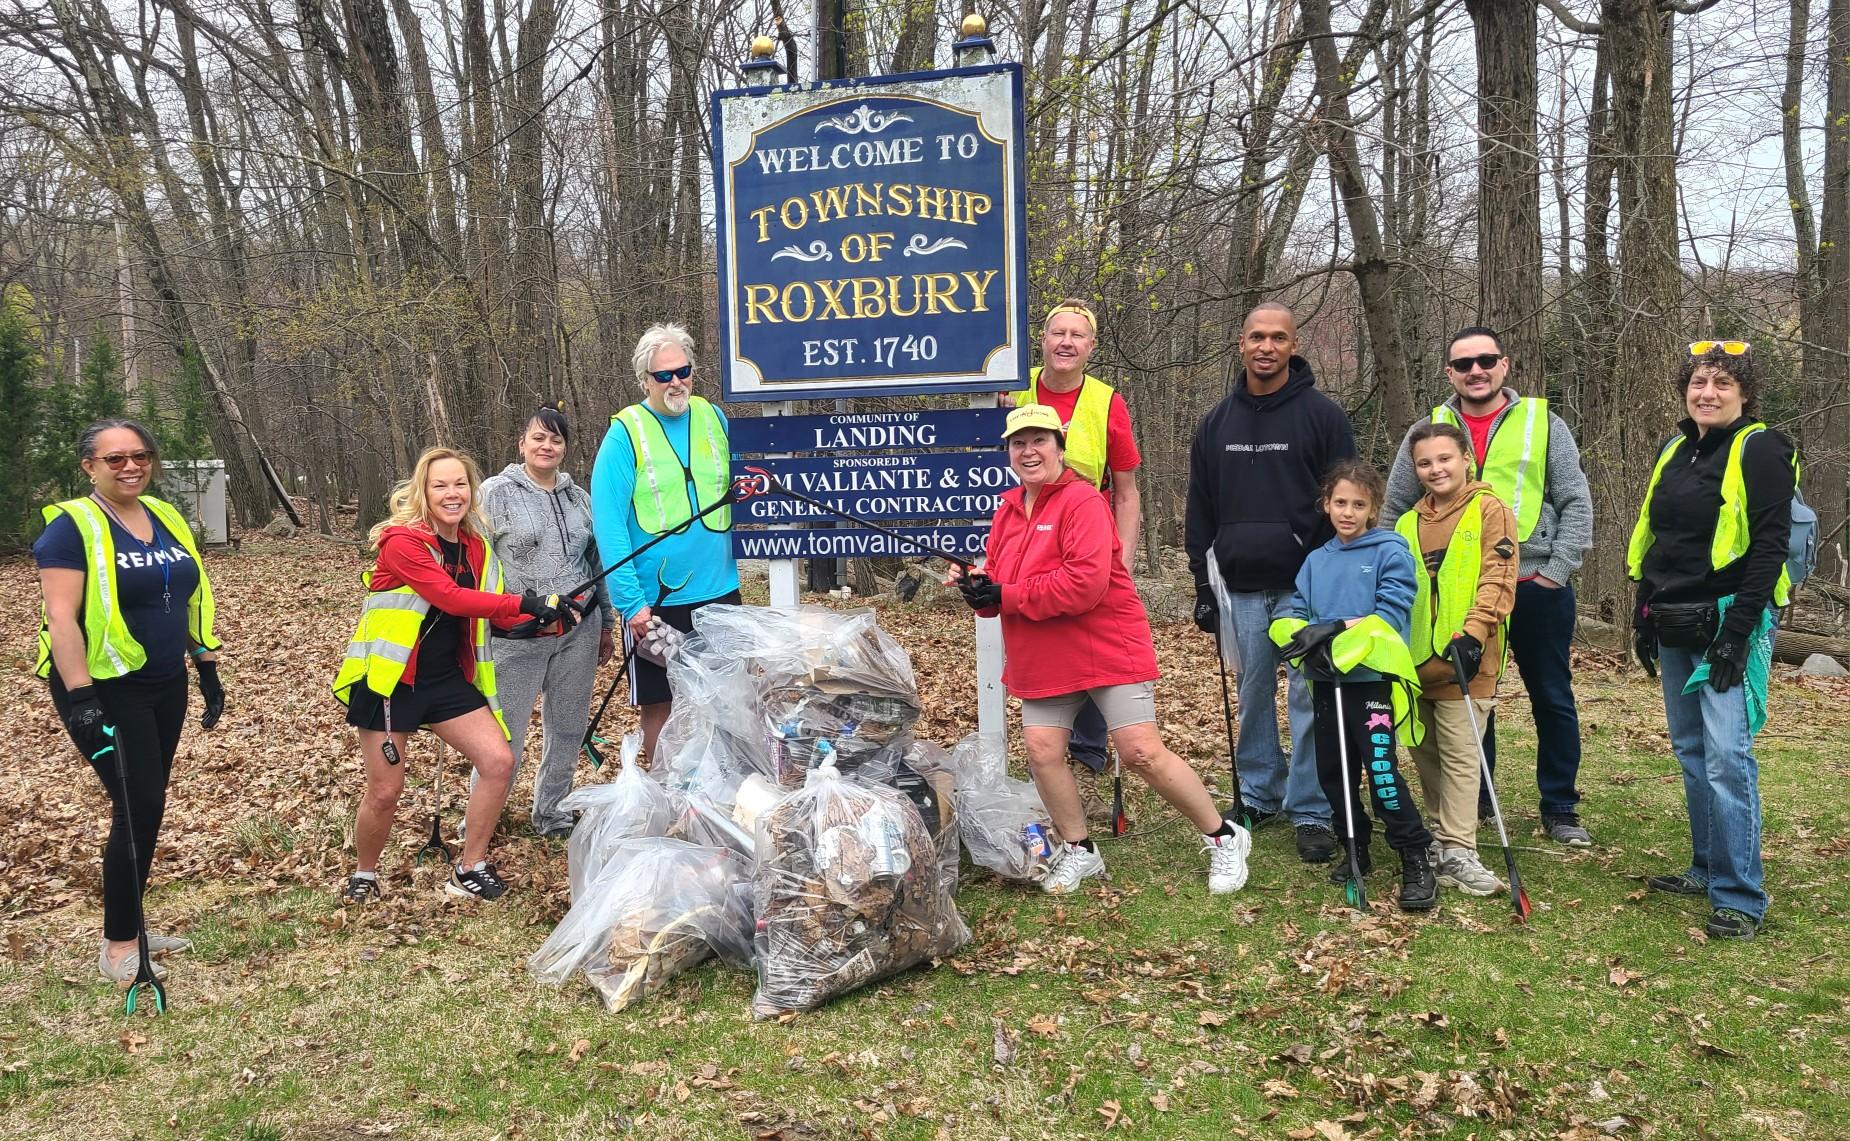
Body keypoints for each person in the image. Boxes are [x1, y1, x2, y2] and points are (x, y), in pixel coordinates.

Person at [958, 405, 1250, 895]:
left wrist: (1005, 594)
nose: (1029, 451)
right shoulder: (1006, 512)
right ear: (1008, 452)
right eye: (1019, 443)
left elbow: (1084, 584)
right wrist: (980, 591)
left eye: (1040, 441)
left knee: (1140, 752)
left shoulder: (1082, 501)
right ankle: (1080, 848)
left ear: (1059, 448)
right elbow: (1000, 589)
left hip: (1103, 643)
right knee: (1043, 751)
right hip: (1041, 651)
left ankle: (1223, 836)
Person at [333, 447, 576, 903]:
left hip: (446, 681)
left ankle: (470, 866)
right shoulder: (403, 542)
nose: (452, 493)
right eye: (440, 485)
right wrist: (527, 601)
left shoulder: (476, 547)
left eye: (460, 484)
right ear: (422, 492)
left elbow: (494, 613)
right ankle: (364, 874)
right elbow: (450, 598)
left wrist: (548, 616)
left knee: (499, 762)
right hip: (390, 682)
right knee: (386, 791)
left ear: (472, 491)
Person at [1384, 327, 1594, 847]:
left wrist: (1554, 571)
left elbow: (1576, 503)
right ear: (1448, 372)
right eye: (1463, 364)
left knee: (1551, 694)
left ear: (1505, 364)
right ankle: (1476, 800)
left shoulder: (1543, 423)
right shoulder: (1427, 428)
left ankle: (1560, 805)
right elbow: (1393, 509)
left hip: (1535, 584)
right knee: (1470, 696)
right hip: (1454, 593)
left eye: (1485, 360)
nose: (1475, 370)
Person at [34, 420, 226, 984]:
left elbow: (183, 598)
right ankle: (119, 945)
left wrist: (205, 668)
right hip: (105, 688)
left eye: (139, 456)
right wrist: (82, 699)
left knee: (149, 803)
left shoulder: (164, 516)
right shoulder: (71, 528)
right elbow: (61, 619)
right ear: (88, 467)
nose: (130, 466)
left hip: (165, 681)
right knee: (136, 805)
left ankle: (133, 924)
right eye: (114, 459)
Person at [1629, 340, 1795, 941]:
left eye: (1723, 383)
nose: (1708, 392)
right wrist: (1642, 609)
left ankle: (1740, 894)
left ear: (1744, 393)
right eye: (1700, 382)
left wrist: (1737, 634)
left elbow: (1770, 545)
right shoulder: (1675, 449)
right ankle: (1705, 866)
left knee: (1729, 756)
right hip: (1675, 614)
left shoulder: (1763, 448)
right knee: (1693, 749)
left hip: (1730, 619)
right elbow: (1656, 532)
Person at [1185, 302, 1357, 863]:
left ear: (1292, 345)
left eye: (1278, 338)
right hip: (1242, 586)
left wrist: (1342, 572)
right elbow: (1201, 506)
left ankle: (1311, 807)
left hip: (1309, 587)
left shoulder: (1323, 416)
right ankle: (1260, 793)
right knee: (1254, 693)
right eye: (1257, 336)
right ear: (1240, 343)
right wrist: (1202, 584)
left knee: (1310, 696)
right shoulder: (1216, 422)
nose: (1266, 347)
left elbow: (1347, 500)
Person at [1270, 460, 1437, 912]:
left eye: (1358, 504)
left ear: (1373, 508)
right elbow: (1296, 613)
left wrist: (1337, 627)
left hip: (1372, 685)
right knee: (1333, 773)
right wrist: (1299, 633)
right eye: (1340, 502)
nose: (1347, 512)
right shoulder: (1316, 560)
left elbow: (1392, 611)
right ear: (1326, 505)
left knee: (1380, 772)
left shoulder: (1391, 550)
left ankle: (1414, 854)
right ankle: (1354, 844)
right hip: (1327, 683)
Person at [591, 323, 740, 758]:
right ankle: (663, 802)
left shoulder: (714, 417)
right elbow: (610, 525)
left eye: (684, 371)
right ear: (645, 380)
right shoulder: (625, 433)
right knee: (662, 707)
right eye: (663, 375)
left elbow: (741, 482)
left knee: (723, 700)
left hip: (721, 591)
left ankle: (714, 802)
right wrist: (630, 604)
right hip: (656, 603)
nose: (676, 382)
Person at [1018, 298, 1144, 775]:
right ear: (1044, 339)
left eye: (1077, 335)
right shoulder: (1015, 387)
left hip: (1085, 536)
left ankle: (1088, 757)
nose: (1066, 342)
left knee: (1091, 647)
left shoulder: (1106, 401)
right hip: (1027, 536)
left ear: (1091, 346)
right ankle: (1046, 755)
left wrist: (1123, 559)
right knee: (1039, 640)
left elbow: (1127, 491)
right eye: (1058, 333)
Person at [479, 404, 617, 838]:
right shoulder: (493, 494)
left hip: (579, 629)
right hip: (516, 632)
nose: (547, 446)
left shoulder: (580, 499)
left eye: (556, 439)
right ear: (522, 443)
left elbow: (599, 564)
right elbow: (476, 560)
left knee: (569, 726)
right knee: (505, 733)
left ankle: (553, 813)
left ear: (565, 449)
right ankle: (485, 817)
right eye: (538, 437)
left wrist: (607, 624)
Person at [1395, 423, 1518, 897]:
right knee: (1425, 751)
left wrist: (1475, 632)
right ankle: (1438, 834)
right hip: (1415, 661)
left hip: (1468, 660)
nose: (1435, 469)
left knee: (1463, 753)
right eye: (1424, 463)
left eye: (1444, 459)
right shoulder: (1408, 522)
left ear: (1466, 457)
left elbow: (1498, 574)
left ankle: (1459, 848)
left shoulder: (1491, 510)